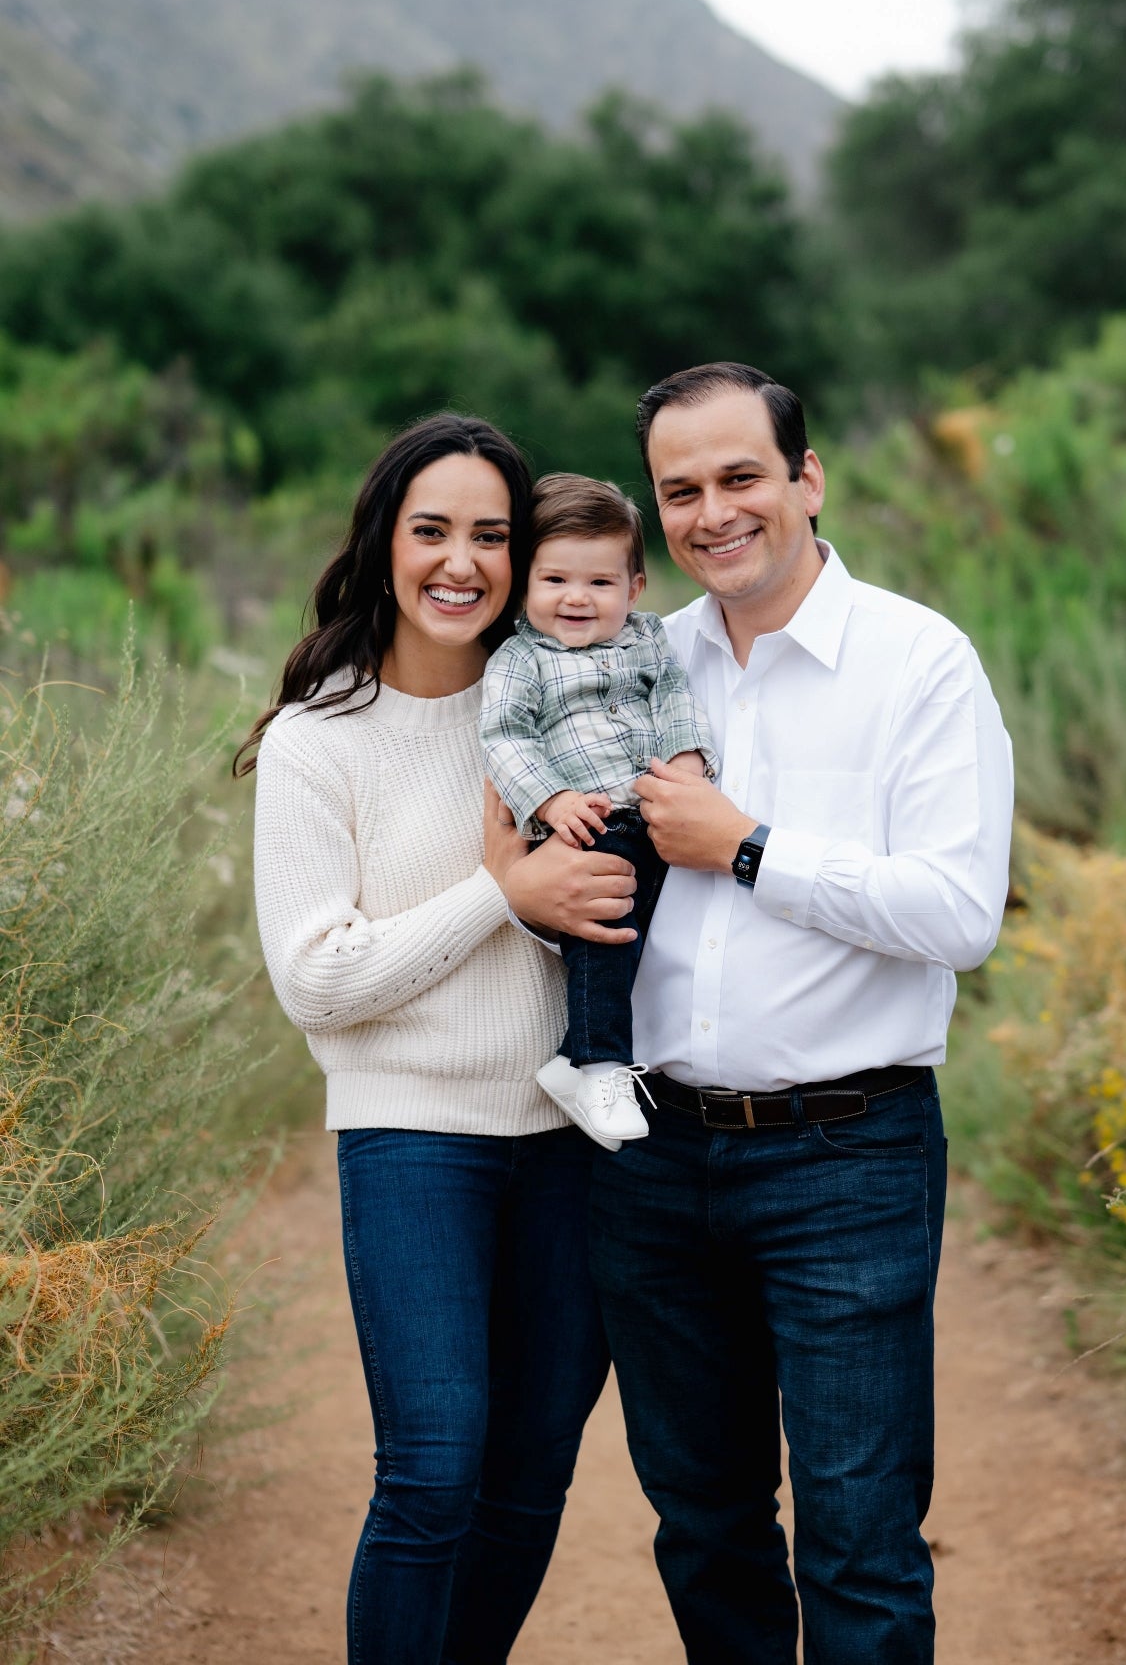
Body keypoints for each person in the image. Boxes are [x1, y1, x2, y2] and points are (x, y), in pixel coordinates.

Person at [589, 362, 1015, 1665]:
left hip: (850, 1158)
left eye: (739, 478)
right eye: (680, 492)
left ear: (806, 480)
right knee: (703, 1526)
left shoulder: (918, 661)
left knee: (859, 1539)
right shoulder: (635, 667)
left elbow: (961, 915)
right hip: (655, 1161)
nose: (712, 513)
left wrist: (750, 845)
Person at [237, 414, 635, 1665]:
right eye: (432, 531)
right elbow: (318, 980)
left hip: (571, 1144)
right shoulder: (319, 740)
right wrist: (499, 895)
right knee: (433, 1467)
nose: (460, 562)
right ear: (384, 542)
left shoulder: (566, 706)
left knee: (529, 1480)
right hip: (413, 1144)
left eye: (492, 536)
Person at [480, 473, 717, 1148]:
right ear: (525, 583)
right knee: (607, 927)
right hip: (587, 822)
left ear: (635, 588)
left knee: (651, 928)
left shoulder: (647, 640)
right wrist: (549, 800)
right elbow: (504, 736)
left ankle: (569, 1058)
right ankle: (600, 1063)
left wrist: (689, 757)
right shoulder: (521, 660)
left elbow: (673, 696)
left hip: (656, 812)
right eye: (555, 581)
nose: (577, 598)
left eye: (600, 584)